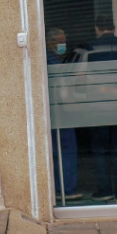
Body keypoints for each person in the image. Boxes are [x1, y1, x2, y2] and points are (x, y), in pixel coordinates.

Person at [85, 14, 117, 201]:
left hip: (98, 107)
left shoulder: (89, 47)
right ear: (114, 27)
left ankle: (104, 190)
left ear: (97, 28)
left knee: (100, 150)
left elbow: (82, 76)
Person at [46, 27, 81, 201]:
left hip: (57, 109)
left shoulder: (56, 58)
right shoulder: (51, 60)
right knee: (66, 149)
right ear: (50, 42)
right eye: (60, 41)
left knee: (59, 150)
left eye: (64, 41)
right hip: (59, 110)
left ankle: (61, 188)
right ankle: (66, 189)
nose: (63, 44)